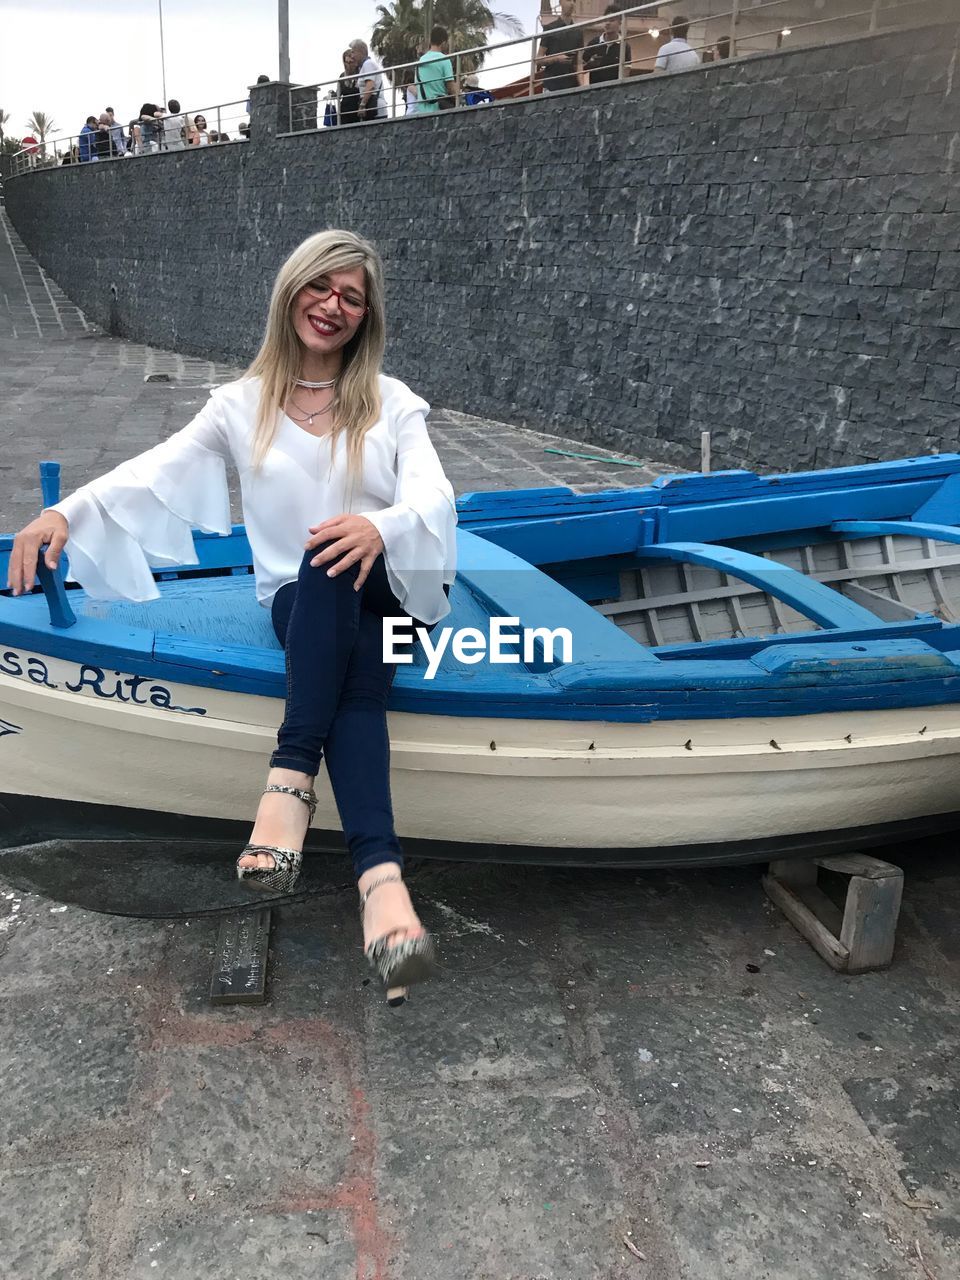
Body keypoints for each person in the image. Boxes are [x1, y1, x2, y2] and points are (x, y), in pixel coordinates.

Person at [8, 229, 455, 1004]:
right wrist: (66, 515)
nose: (334, 305)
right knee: (352, 675)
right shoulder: (239, 406)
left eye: (352, 296)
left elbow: (434, 495)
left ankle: (286, 786)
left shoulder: (392, 403)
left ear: (366, 316)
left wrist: (379, 526)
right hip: (303, 606)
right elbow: (150, 472)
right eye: (322, 287)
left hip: (391, 592)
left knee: (333, 554)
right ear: (292, 292)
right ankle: (382, 887)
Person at [537, 0, 583, 93]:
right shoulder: (550, 28)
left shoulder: (578, 32)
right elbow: (538, 59)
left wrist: (582, 86)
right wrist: (556, 58)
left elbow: (578, 62)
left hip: (572, 86)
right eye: (568, 0)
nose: (571, 4)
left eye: (573, 1)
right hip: (552, 84)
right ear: (560, 2)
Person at [583, 5, 633, 85]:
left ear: (620, 22)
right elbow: (581, 68)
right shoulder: (594, 43)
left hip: (614, 91)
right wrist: (590, 64)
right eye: (605, 20)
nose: (607, 23)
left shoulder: (625, 46)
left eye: (612, 20)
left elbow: (626, 72)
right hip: (594, 91)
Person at [416, 25, 457, 113]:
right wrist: (459, 97)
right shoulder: (444, 59)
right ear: (443, 42)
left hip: (422, 110)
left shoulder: (421, 61)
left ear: (431, 41)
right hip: (440, 109)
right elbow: (450, 86)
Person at [350, 39, 386, 121]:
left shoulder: (368, 64)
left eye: (353, 52)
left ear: (361, 51)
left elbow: (370, 86)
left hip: (375, 109)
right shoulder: (365, 65)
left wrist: (362, 105)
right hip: (374, 107)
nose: (352, 56)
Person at [337, 48, 361, 125]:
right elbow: (339, 93)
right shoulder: (342, 76)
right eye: (346, 62)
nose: (348, 65)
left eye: (351, 62)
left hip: (357, 110)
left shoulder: (361, 74)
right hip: (344, 111)